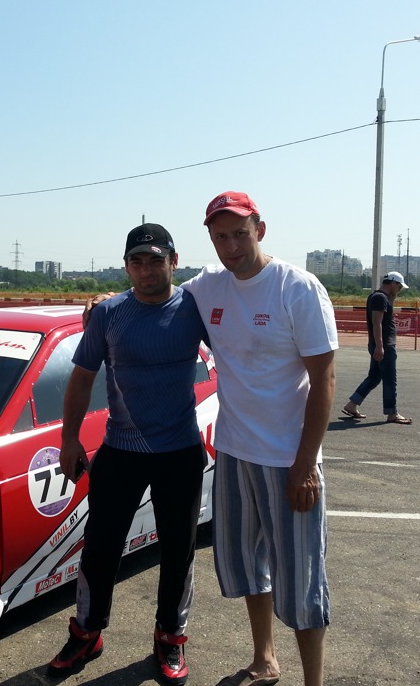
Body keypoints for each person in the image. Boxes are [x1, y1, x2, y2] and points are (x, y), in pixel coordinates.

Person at [85, 191, 338, 686]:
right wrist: (105, 302)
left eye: (240, 234)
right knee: (249, 568)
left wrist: (306, 464)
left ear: (259, 230)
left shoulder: (298, 287)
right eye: (221, 237)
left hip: (288, 458)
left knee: (302, 580)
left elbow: (324, 380)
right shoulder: (209, 286)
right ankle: (265, 658)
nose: (231, 246)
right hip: (234, 452)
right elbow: (153, 290)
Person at [48, 223, 209, 686]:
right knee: (100, 547)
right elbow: (82, 378)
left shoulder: (195, 308)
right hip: (121, 448)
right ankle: (86, 632)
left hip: (179, 450)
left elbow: (242, 354)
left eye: (156, 260)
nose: (146, 270)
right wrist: (69, 440)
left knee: (178, 550)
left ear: (174, 261)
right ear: (125, 266)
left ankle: (170, 637)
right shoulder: (109, 313)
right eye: (136, 261)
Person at [341, 271, 412, 425]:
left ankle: (352, 404)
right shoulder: (380, 298)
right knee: (390, 379)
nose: (399, 290)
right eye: (399, 286)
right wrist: (380, 346)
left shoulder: (378, 296)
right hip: (384, 345)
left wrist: (392, 298)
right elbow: (377, 322)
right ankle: (392, 413)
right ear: (393, 283)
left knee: (374, 377)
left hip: (379, 345)